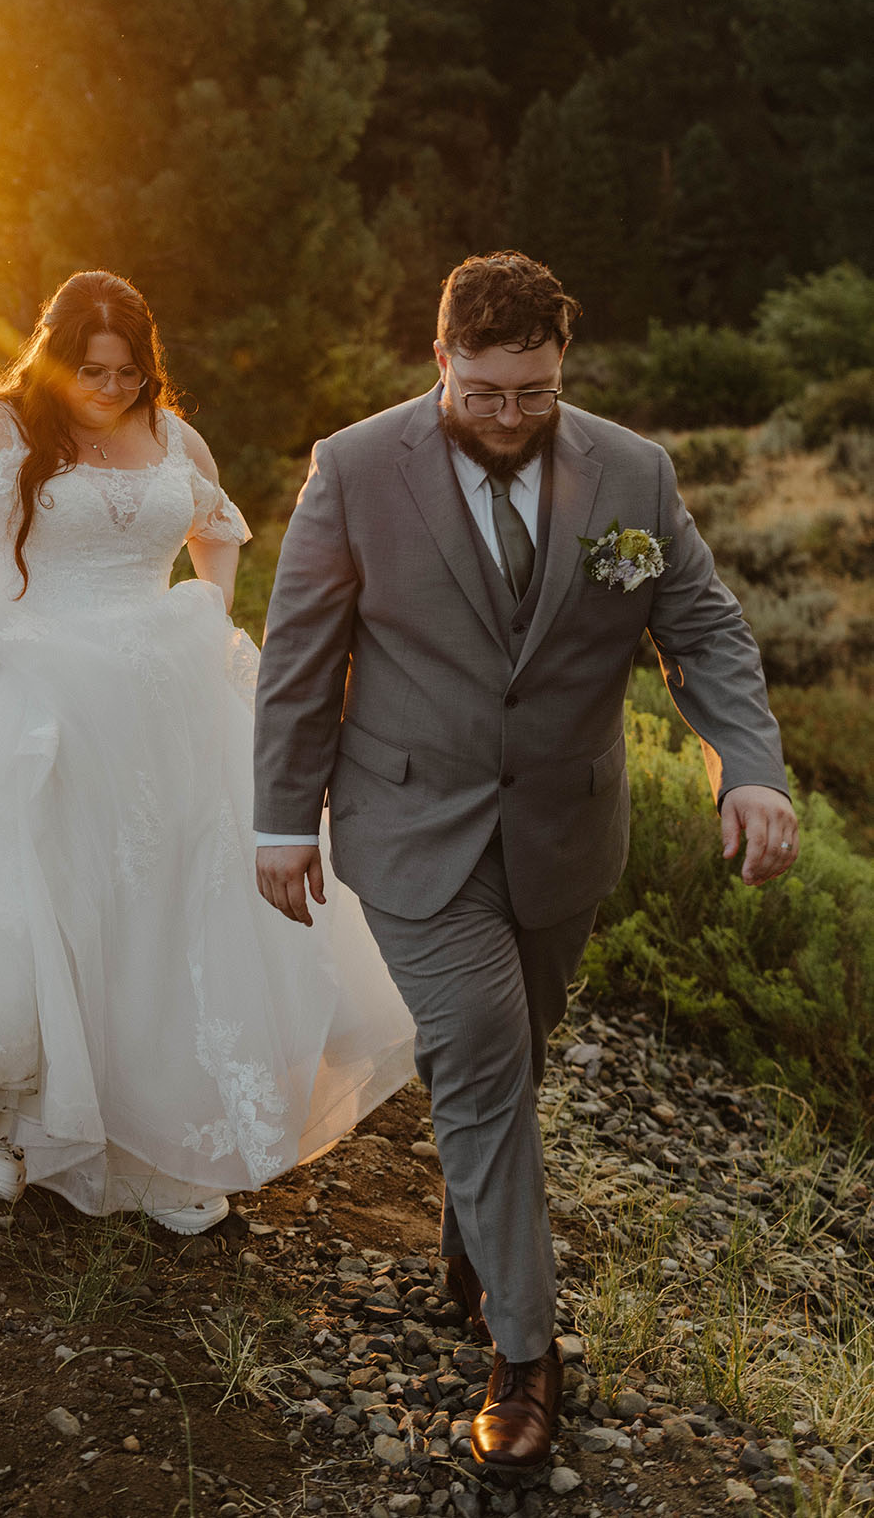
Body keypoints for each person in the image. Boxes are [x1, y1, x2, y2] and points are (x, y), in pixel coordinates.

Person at [253, 250, 796, 1476]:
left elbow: (699, 624)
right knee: (484, 1049)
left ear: (562, 367)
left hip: (564, 833)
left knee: (518, 1050)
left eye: (535, 394)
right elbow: (300, 651)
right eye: (487, 391)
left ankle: (478, 1235)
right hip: (406, 826)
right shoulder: (352, 469)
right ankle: (525, 1350)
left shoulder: (635, 474)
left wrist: (747, 764)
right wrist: (281, 817)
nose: (510, 417)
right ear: (441, 357)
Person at [0, 269, 414, 1230]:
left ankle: (152, 1119)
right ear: (51, 353)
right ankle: (22, 1111)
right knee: (36, 890)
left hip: (156, 689)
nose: (110, 388)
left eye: (128, 371)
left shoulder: (170, 434)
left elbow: (218, 526)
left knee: (164, 893)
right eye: (91, 368)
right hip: (23, 685)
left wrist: (206, 607)